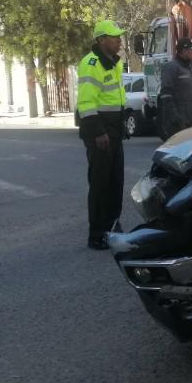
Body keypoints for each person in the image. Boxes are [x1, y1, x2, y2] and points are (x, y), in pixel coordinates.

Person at [76, 20, 130, 250]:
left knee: (116, 182)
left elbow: (114, 98)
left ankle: (112, 225)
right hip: (99, 132)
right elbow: (86, 102)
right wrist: (98, 132)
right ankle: (97, 234)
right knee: (100, 184)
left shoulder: (113, 63)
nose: (119, 40)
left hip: (114, 130)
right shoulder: (91, 63)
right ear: (101, 40)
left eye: (119, 36)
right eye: (114, 37)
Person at [159, 37, 192, 138]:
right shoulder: (171, 67)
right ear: (184, 51)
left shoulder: (191, 69)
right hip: (177, 125)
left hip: (191, 122)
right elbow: (166, 95)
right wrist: (175, 118)